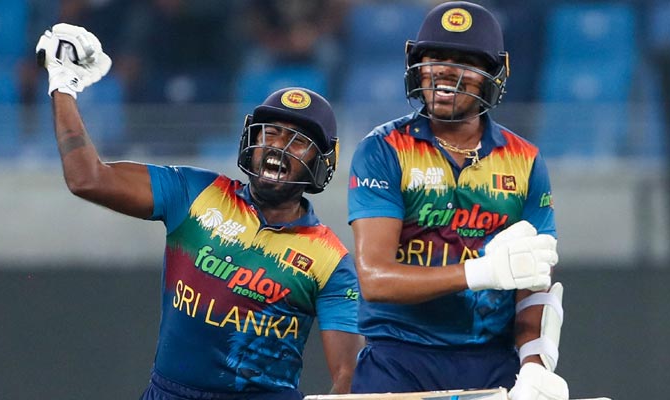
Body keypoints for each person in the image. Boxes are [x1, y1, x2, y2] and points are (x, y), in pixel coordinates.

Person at [35, 23, 363, 400]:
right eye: (269, 133)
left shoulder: (330, 262)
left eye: (298, 141)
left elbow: (348, 378)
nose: (278, 147)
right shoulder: (195, 193)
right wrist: (63, 85)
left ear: (322, 163)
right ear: (250, 142)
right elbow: (87, 179)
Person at [347, 2, 568, 400]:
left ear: (493, 76)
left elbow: (534, 280)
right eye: (435, 57)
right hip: (398, 358)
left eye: (465, 60)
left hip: (492, 359)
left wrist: (535, 364)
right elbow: (375, 279)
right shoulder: (383, 150)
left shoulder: (526, 161)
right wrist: (481, 272)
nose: (446, 70)